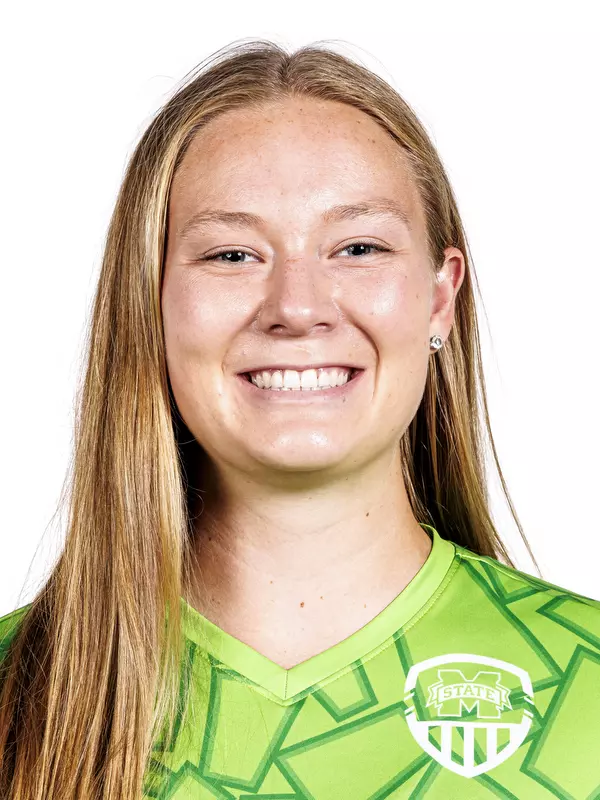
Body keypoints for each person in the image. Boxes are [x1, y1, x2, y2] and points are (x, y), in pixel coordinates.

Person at [1, 39, 599, 800]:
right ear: (148, 300)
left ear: (439, 300)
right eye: (231, 255)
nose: (297, 307)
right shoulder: (15, 694)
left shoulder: (587, 690)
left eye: (358, 246)